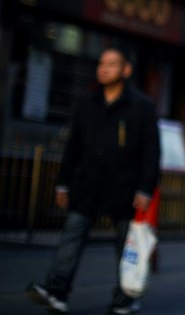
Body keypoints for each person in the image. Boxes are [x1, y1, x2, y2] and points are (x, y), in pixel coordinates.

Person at [27, 47, 160, 315]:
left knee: (126, 246)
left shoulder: (141, 107)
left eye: (112, 64)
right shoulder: (88, 102)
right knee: (71, 237)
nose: (104, 68)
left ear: (126, 70)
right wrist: (63, 182)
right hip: (87, 184)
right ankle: (57, 293)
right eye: (101, 63)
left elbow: (151, 152)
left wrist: (146, 188)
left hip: (126, 187)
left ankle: (125, 298)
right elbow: (73, 145)